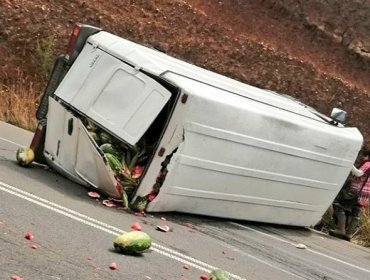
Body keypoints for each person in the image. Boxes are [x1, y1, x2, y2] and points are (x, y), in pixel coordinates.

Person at [329, 148, 370, 240]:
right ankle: (349, 234)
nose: (363, 158)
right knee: (356, 212)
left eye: (364, 156)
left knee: (340, 206)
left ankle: (340, 230)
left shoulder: (368, 163)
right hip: (365, 194)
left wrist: (350, 164)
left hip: (357, 191)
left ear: (367, 156)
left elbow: (359, 173)